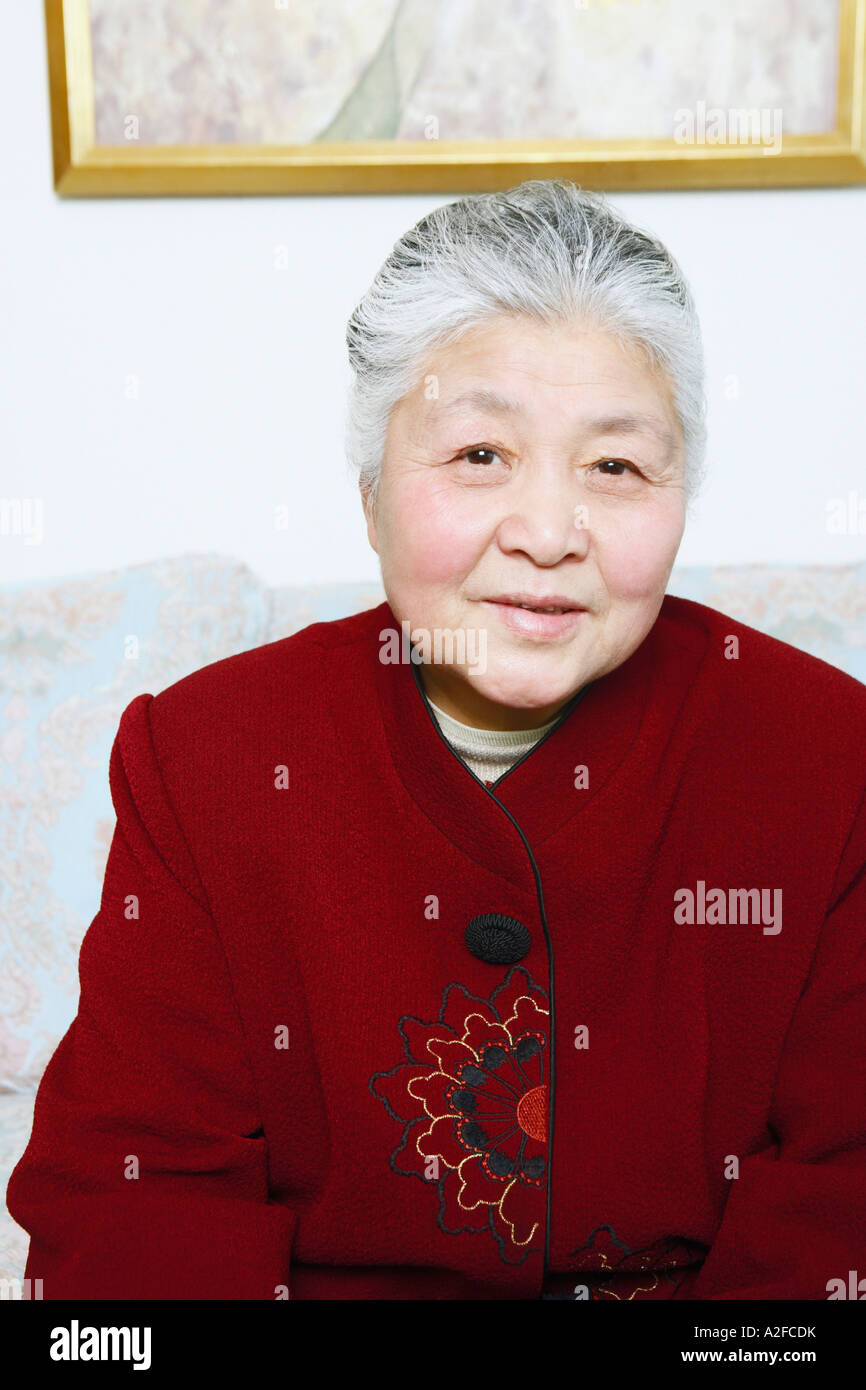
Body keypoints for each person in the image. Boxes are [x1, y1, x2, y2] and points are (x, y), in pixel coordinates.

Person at [7, 180, 866, 1299]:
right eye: (477, 456)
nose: (550, 533)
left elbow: (839, 1206)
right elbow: (131, 1207)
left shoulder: (823, 756)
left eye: (614, 466)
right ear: (368, 489)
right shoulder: (207, 760)